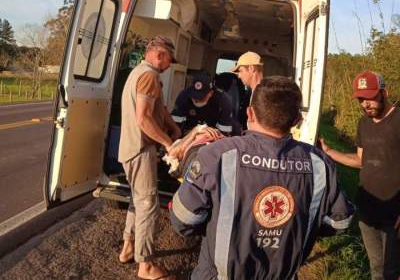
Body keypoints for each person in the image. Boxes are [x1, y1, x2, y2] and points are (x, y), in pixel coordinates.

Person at [170, 76, 354, 279]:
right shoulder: (320, 163)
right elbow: (341, 222)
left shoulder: (216, 155)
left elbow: (183, 221)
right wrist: (298, 230)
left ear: (249, 113)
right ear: (297, 121)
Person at [320, 70, 400, 280]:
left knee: (393, 270)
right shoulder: (363, 123)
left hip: (394, 213)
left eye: (371, 97)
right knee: (377, 269)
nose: (366, 104)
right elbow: (360, 160)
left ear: (385, 92)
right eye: (361, 99)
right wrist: (329, 152)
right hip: (367, 209)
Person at [118, 35, 181, 280]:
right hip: (140, 150)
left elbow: (159, 109)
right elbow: (143, 118)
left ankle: (128, 247)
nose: (169, 66)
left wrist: (173, 128)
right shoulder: (150, 76)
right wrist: (169, 144)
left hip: (129, 149)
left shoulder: (139, 73)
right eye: (169, 60)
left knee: (137, 200)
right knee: (148, 205)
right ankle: (145, 266)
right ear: (160, 54)